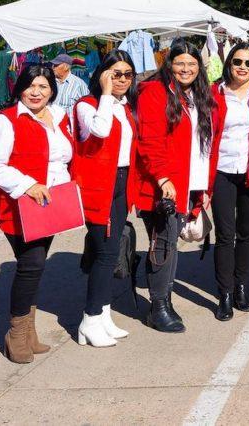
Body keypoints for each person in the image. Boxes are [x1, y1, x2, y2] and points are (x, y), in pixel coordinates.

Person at [0, 64, 74, 363]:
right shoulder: (5, 120)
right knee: (30, 264)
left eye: (43, 87)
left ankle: (29, 331)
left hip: (51, 206)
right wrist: (28, 184)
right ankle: (17, 333)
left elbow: (62, 158)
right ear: (20, 87)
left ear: (52, 91)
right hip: (20, 205)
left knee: (35, 265)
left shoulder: (58, 117)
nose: (36, 92)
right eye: (30, 86)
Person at [134, 39, 214, 333]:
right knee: (163, 244)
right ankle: (158, 307)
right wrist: (163, 176)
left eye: (192, 64)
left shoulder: (198, 95)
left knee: (170, 242)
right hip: (162, 185)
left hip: (187, 182)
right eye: (180, 63)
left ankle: (164, 298)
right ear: (169, 64)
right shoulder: (154, 92)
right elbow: (149, 139)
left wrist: (203, 187)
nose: (186, 69)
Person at [71, 50, 140, 347]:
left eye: (127, 74)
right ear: (102, 75)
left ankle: (103, 315)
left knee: (112, 252)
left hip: (122, 181)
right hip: (98, 185)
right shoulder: (87, 106)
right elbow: (100, 130)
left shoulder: (124, 106)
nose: (122, 79)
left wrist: (113, 98)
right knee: (103, 253)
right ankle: (89, 319)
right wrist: (106, 93)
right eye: (115, 74)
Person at [208, 43, 249, 321]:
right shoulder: (214, 92)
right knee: (225, 234)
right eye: (237, 62)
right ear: (228, 63)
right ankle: (224, 293)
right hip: (222, 170)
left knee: (246, 232)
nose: (242, 67)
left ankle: (240, 288)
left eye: (248, 63)